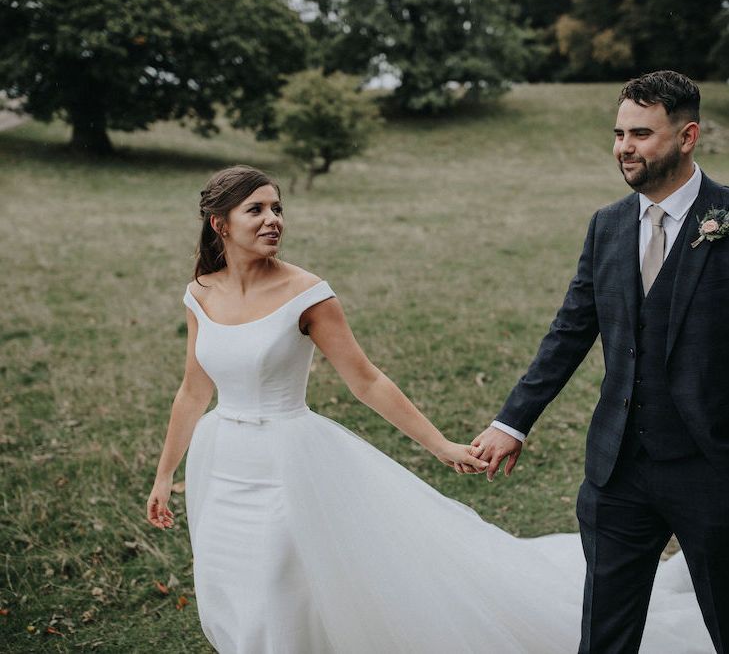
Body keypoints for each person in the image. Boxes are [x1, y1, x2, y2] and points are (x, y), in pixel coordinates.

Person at [145, 159, 712, 653]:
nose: (273, 220)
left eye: (278, 207)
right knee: (232, 585)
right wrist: (165, 475)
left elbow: (366, 380)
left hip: (286, 466)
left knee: (275, 586)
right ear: (220, 225)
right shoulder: (202, 292)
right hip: (221, 462)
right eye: (256, 210)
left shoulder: (307, 293)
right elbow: (194, 388)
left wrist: (440, 444)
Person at [471, 70, 729, 653]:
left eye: (640, 134)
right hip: (619, 470)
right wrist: (512, 422)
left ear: (687, 137)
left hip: (712, 469)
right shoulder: (608, 226)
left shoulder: (728, 217)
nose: (624, 148)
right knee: (604, 637)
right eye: (618, 133)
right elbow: (570, 331)